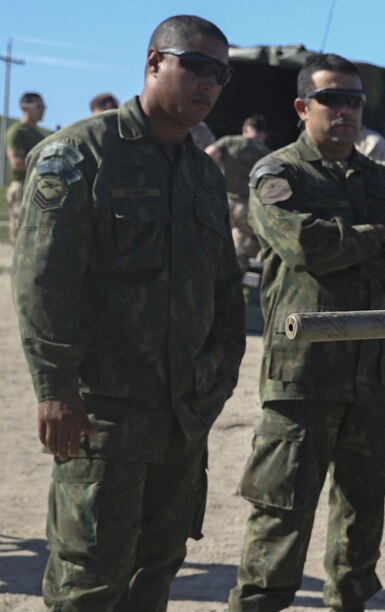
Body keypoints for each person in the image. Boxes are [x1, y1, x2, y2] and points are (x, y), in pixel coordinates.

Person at [11, 15, 244, 610]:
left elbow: (225, 292)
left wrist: (215, 380)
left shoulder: (202, 175)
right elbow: (44, 282)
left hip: (180, 419)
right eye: (194, 65)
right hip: (101, 418)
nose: (208, 83)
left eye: (220, 73)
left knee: (156, 572)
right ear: (153, 63)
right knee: (88, 579)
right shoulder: (80, 154)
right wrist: (56, 388)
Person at [228, 53, 385, 612]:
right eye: (331, 99)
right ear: (302, 107)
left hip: (371, 379)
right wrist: (375, 236)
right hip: (301, 379)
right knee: (279, 521)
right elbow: (301, 245)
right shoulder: (278, 174)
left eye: (354, 100)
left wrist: (347, 247)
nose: (345, 110)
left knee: (360, 524)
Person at [205, 114, 271, 271]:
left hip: (223, 204)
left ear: (246, 130)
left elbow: (205, 159)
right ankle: (233, 289)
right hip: (248, 207)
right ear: (263, 134)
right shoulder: (268, 154)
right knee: (241, 253)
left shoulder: (229, 142)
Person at [6, 92, 51, 240]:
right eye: (38, 106)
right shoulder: (18, 132)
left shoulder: (39, 134)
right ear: (24, 107)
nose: (42, 110)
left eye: (43, 106)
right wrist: (46, 166)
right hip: (23, 187)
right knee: (22, 234)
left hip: (38, 186)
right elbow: (17, 163)